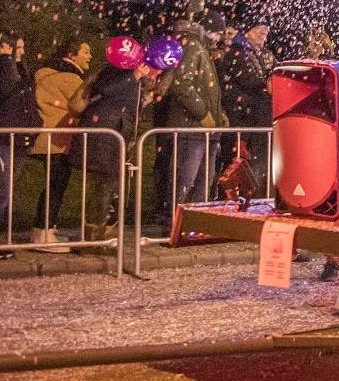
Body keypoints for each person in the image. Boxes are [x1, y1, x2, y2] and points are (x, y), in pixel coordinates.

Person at [78, 40, 154, 244]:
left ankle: (98, 231)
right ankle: (93, 235)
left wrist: (145, 98)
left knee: (108, 184)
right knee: (104, 183)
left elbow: (129, 107)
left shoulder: (128, 76)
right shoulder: (112, 72)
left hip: (115, 134)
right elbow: (106, 90)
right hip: (105, 135)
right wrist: (133, 76)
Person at [154, 19, 225, 227]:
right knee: (186, 181)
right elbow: (182, 84)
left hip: (203, 130)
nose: (220, 38)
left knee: (201, 181)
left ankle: (192, 225)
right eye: (217, 32)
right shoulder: (192, 47)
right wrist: (203, 114)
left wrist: (220, 114)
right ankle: (175, 224)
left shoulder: (199, 49)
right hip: (192, 129)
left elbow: (207, 90)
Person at [29, 38, 93, 251]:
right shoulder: (71, 80)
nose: (90, 56)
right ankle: (43, 232)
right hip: (58, 139)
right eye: (85, 51)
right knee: (57, 184)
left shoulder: (43, 74)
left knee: (53, 183)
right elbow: (83, 105)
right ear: (71, 54)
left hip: (42, 137)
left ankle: (44, 230)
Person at [0, 32, 41, 259]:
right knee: (3, 190)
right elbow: (3, 91)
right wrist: (4, 60)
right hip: (2, 139)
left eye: (21, 47)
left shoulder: (21, 70)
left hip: (21, 139)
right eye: (15, 47)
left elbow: (25, 100)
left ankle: (0, 236)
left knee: (8, 191)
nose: (20, 51)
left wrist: (35, 123)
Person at [221, 18, 273, 188]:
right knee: (239, 173)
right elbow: (248, 83)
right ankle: (231, 205)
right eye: (260, 27)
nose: (264, 31)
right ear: (247, 30)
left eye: (266, 28)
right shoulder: (238, 53)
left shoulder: (257, 54)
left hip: (253, 124)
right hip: (244, 124)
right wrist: (268, 84)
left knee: (253, 173)